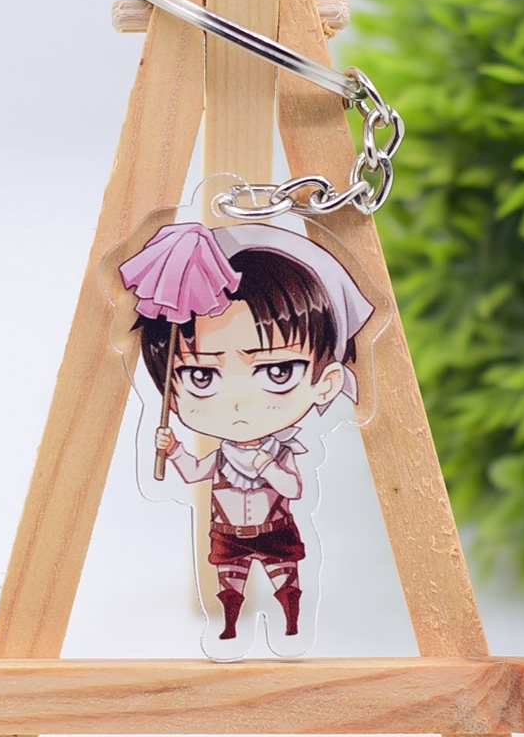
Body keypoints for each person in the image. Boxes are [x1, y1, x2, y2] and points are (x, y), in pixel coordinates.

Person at [121, 223, 373, 640]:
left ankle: (291, 621)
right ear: (170, 393)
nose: (238, 403)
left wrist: (265, 463)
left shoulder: (280, 449)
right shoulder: (222, 454)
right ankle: (229, 626)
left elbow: (292, 488)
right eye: (201, 376)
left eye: (278, 371)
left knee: (284, 578)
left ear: (325, 382)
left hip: (274, 529)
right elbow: (196, 471)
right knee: (229, 583)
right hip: (228, 531)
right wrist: (175, 449)